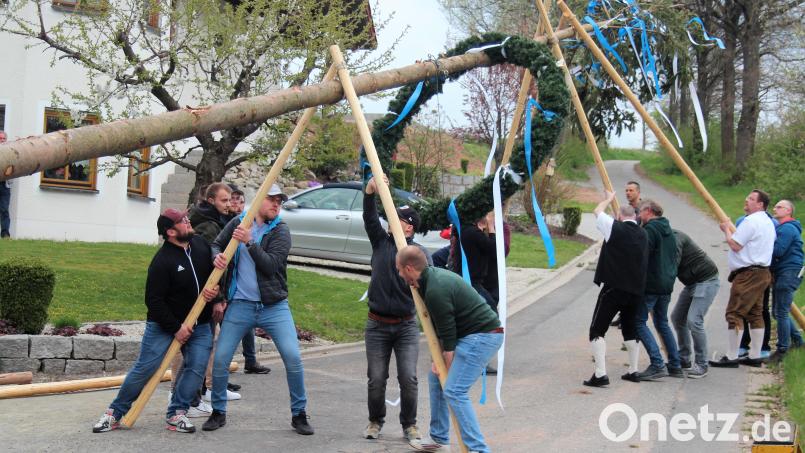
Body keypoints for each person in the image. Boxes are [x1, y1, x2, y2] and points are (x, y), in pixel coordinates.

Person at [92, 208, 219, 433]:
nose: (188, 221)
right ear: (170, 231)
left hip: (199, 323)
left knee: (197, 366)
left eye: (186, 218)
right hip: (164, 325)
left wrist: (215, 295)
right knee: (146, 368)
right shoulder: (163, 261)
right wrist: (176, 328)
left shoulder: (200, 245)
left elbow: (213, 278)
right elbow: (154, 301)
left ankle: (177, 413)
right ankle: (114, 413)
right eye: (182, 221)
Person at [202, 184, 314, 435]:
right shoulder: (239, 222)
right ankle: (218, 412)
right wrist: (216, 256)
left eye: (279, 201)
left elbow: (270, 266)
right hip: (240, 305)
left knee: (293, 357)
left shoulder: (281, 231)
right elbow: (216, 244)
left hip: (273, 306)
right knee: (220, 360)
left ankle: (299, 414)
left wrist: (250, 242)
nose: (277, 205)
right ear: (259, 201)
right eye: (272, 200)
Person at [396, 245, 503, 453]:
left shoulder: (436, 289)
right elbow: (443, 329)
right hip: (471, 335)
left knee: (454, 391)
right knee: (436, 378)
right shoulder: (429, 280)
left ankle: (479, 450)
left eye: (399, 270)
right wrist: (439, 364)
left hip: (482, 337)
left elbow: (448, 335)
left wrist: (445, 360)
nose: (399, 275)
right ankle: (438, 438)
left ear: (409, 268)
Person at [361, 176, 430, 443]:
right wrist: (369, 191)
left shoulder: (418, 255)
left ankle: (409, 425)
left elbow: (428, 287)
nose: (390, 220)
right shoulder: (380, 241)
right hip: (376, 324)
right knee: (376, 379)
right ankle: (375, 421)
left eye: (397, 217)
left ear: (409, 228)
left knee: (408, 377)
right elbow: (369, 218)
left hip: (405, 326)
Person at [584, 191, 648, 387]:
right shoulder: (643, 234)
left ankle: (601, 374)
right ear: (636, 217)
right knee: (630, 329)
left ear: (620, 216)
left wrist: (608, 199)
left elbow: (597, 211)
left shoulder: (615, 228)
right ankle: (633, 370)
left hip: (614, 288)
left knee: (597, 330)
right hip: (636, 292)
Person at [710, 190, 776, 368]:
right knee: (755, 313)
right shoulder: (768, 222)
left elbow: (735, 245)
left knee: (734, 313)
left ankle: (732, 356)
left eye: (751, 199)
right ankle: (754, 355)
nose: (746, 200)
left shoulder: (751, 221)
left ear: (760, 204)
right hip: (762, 272)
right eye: (747, 197)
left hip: (749, 274)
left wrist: (726, 230)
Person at [635, 199, 682, 380]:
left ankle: (657, 363)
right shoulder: (669, 231)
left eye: (640, 212)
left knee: (638, 321)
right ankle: (675, 364)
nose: (639, 215)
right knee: (662, 322)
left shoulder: (650, 230)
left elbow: (641, 254)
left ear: (648, 211)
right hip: (667, 283)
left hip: (652, 284)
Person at [669, 229, 720, 378]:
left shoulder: (675, 238)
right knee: (677, 318)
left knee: (694, 320)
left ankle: (702, 364)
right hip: (692, 282)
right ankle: (684, 358)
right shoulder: (664, 238)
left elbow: (672, 265)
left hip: (706, 280)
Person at [768, 200, 804, 363]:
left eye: (779, 207)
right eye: (775, 206)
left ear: (789, 211)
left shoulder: (788, 228)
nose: (775, 209)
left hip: (789, 271)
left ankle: (782, 350)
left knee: (781, 311)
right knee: (777, 312)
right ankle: (798, 342)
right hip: (784, 271)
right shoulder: (782, 227)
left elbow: (777, 250)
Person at [450, 214, 498, 312]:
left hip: (467, 279)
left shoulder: (464, 230)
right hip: (471, 280)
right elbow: (494, 249)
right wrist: (491, 228)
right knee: (491, 310)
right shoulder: (472, 232)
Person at [0, 131, 10, 239]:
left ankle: (5, 233)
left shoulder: (10, 152)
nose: (2, 140)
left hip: (4, 186)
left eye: (3, 139)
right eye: (0, 138)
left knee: (4, 210)